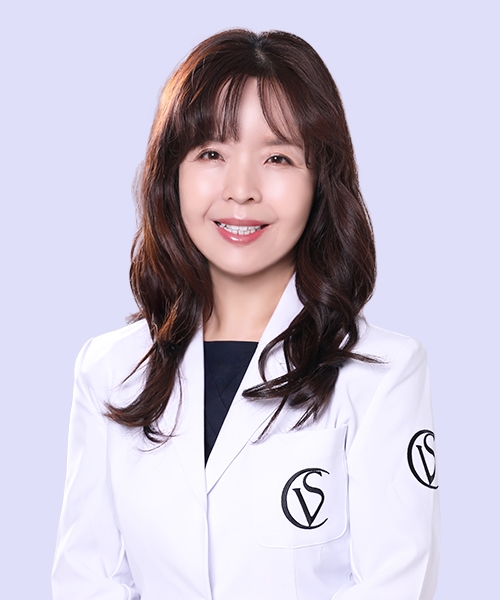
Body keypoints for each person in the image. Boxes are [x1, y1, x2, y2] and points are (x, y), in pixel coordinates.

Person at [52, 29, 439, 600]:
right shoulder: (109, 369)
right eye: (211, 153)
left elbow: (394, 585)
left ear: (320, 181)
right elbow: (88, 581)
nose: (241, 190)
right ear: (172, 174)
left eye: (278, 157)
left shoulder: (384, 374)